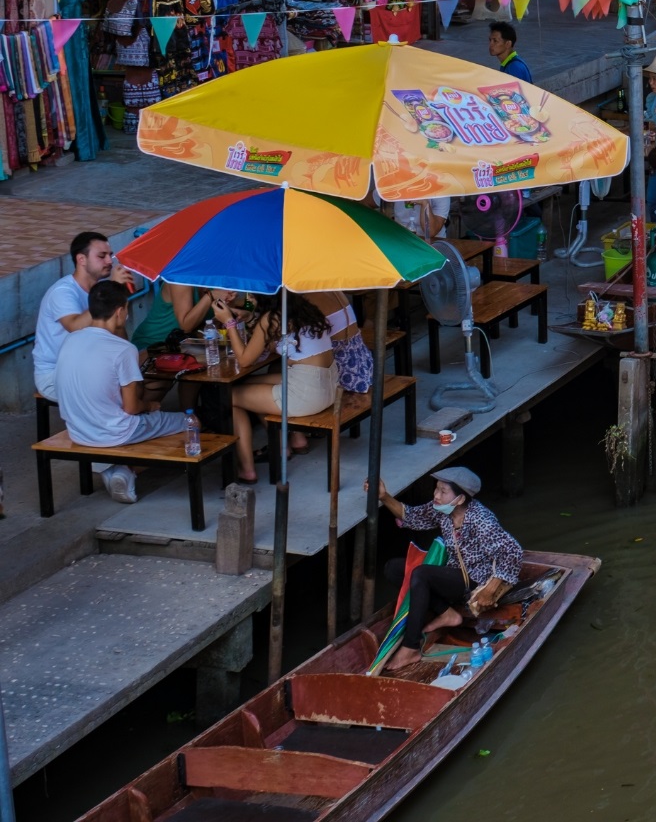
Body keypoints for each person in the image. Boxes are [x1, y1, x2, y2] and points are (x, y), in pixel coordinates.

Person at [53, 281, 192, 503]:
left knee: (148, 420)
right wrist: (151, 406)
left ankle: (112, 466)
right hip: (116, 432)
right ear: (119, 312)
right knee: (191, 424)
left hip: (78, 430)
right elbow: (132, 407)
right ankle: (126, 469)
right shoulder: (123, 350)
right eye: (126, 309)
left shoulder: (71, 339)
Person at [374, 467, 525, 672]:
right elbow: (412, 516)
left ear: (460, 499)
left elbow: (513, 552)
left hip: (474, 580)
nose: (436, 495)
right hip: (453, 571)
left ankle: (411, 647)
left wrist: (490, 589)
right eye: (437, 489)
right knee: (394, 569)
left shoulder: (481, 520)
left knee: (421, 574)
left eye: (443, 492)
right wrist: (383, 496)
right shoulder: (442, 511)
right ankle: (447, 613)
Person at [217, 290, 350, 478]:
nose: (249, 301)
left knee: (229, 396)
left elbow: (245, 360)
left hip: (307, 393)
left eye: (252, 298)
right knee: (249, 384)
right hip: (327, 386)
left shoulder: (271, 317)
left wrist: (229, 322)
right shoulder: (301, 308)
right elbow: (274, 345)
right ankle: (281, 446)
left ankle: (247, 469)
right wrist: (249, 317)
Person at [36, 231, 123, 401]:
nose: (109, 261)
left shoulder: (101, 291)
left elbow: (120, 338)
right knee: (116, 397)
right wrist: (109, 292)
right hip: (55, 375)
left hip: (92, 368)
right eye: (102, 256)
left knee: (138, 383)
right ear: (81, 259)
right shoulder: (63, 292)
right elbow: (75, 327)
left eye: (110, 255)